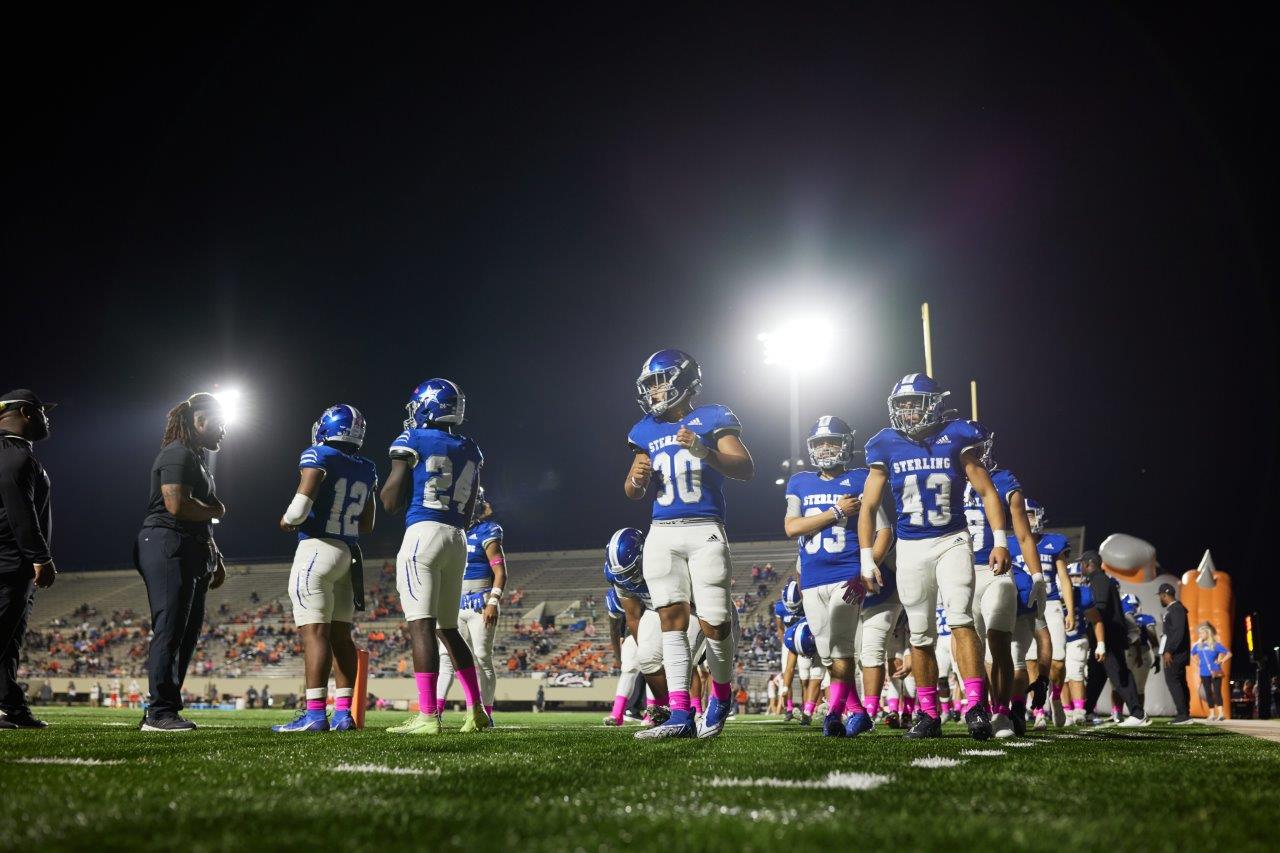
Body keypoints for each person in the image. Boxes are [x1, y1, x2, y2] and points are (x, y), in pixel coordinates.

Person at [858, 373, 1008, 741]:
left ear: (934, 404)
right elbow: (869, 505)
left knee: (960, 619)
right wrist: (866, 556)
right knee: (921, 633)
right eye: (902, 405)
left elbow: (988, 492)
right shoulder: (885, 444)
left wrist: (999, 540)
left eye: (914, 403)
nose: (908, 411)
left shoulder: (956, 437)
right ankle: (928, 714)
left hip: (951, 539)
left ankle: (976, 706)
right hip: (910, 546)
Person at [624, 349, 754, 740]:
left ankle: (721, 694)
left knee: (715, 621)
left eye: (660, 381)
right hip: (662, 530)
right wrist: (636, 479)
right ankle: (680, 714)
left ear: (683, 380)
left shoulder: (712, 416)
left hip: (705, 528)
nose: (654, 391)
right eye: (649, 385)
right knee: (670, 621)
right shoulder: (644, 429)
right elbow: (632, 492)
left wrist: (704, 451)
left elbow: (745, 468)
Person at [381, 378, 488, 734]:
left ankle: (428, 715)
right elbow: (472, 508)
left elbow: (391, 501)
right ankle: (477, 710)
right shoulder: (470, 447)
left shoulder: (412, 439)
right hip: (457, 537)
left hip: (422, 535)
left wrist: (403, 473)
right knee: (448, 628)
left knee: (421, 625)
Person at [783, 415, 892, 738]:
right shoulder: (799, 482)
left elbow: (884, 531)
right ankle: (857, 711)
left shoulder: (860, 478)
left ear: (847, 445)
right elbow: (791, 527)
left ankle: (833, 713)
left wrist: (867, 566)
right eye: (819, 443)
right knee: (829, 652)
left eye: (832, 441)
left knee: (842, 645)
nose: (826, 448)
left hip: (847, 573)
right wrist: (837, 512)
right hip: (813, 576)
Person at [272, 404, 376, 733]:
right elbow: (368, 524)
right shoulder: (367, 467)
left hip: (317, 549)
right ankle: (344, 713)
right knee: (341, 636)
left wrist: (288, 520)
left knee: (315, 633)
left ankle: (316, 714)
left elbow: (300, 509)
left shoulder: (319, 454)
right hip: (349, 552)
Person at [135, 393, 228, 732]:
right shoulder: (176, 454)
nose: (223, 431)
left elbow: (195, 516)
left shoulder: (196, 458)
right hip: (166, 543)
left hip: (191, 547)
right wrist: (217, 510)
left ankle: (166, 709)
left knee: (186, 635)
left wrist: (214, 554)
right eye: (219, 424)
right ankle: (159, 712)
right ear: (199, 422)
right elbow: (177, 507)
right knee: (170, 630)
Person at [962, 433, 1045, 738]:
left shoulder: (1003, 479)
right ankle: (978, 708)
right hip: (959, 572)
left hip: (995, 570)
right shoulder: (947, 480)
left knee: (999, 643)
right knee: (970, 647)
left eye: (976, 448)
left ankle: (1002, 712)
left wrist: (1037, 576)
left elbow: (1023, 535)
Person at [0, 389, 57, 730]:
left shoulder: (13, 453)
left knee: (8, 643)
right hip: (9, 562)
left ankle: (11, 708)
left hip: (10, 561)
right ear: (25, 411)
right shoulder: (15, 457)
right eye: (42, 412)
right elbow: (21, 512)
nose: (47, 418)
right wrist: (40, 557)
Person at [437, 487, 506, 724]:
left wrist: (494, 601)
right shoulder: (452, 532)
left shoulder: (488, 530)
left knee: (482, 656)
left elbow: (500, 572)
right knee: (445, 657)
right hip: (454, 603)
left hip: (480, 602)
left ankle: (485, 713)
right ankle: (434, 713)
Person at [1080, 551, 1149, 726]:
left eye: (1082, 563)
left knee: (1119, 675)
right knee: (1096, 677)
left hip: (1107, 637)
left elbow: (1100, 609)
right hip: (1103, 637)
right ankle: (1087, 712)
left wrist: (1084, 617)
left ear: (1089, 564)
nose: (1080, 567)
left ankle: (1138, 713)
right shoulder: (1100, 580)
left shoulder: (1100, 580)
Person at [1158, 582, 1193, 724]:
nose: (1159, 598)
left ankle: (1183, 714)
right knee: (1179, 682)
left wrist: (1169, 650)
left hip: (1175, 654)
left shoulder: (1176, 609)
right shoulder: (1175, 609)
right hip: (1176, 652)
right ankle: (1184, 713)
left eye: (1160, 596)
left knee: (1173, 681)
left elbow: (1178, 632)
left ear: (1164, 595)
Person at [774, 580, 804, 721]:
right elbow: (780, 629)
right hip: (789, 642)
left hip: (804, 642)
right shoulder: (780, 607)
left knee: (806, 676)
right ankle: (789, 708)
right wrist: (785, 642)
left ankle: (807, 707)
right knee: (787, 672)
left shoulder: (806, 602)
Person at [1193, 623, 1231, 721]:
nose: (1200, 635)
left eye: (1202, 633)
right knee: (1208, 693)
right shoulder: (1199, 646)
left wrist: (1221, 661)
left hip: (1215, 671)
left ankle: (1221, 714)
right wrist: (1197, 662)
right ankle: (1212, 714)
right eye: (1199, 633)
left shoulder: (1215, 645)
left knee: (1217, 692)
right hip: (1203, 672)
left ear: (1207, 633)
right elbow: (1192, 653)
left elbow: (1229, 654)